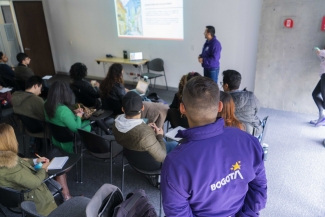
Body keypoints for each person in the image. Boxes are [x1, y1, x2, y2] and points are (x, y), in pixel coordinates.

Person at [161, 77, 267, 216]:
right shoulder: (248, 141)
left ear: (182, 108)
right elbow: (259, 188)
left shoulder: (174, 163)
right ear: (220, 107)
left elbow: (178, 213)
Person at [0, 123, 57, 216]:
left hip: (9, 195)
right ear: (9, 141)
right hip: (30, 198)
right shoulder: (10, 167)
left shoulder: (5, 158)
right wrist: (43, 169)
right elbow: (34, 183)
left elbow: (20, 160)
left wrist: (35, 161)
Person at [113, 91, 178, 162]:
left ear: (123, 109)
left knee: (164, 141)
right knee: (175, 144)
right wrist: (159, 135)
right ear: (143, 107)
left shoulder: (116, 121)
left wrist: (146, 127)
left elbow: (132, 130)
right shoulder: (146, 135)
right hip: (148, 162)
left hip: (130, 155)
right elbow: (162, 157)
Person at [100, 63, 168, 128]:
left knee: (143, 97)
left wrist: (124, 90)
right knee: (146, 100)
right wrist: (131, 94)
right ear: (119, 73)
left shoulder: (104, 83)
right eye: (122, 72)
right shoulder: (118, 86)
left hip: (109, 109)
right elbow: (126, 99)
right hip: (120, 110)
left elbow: (114, 93)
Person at [44, 81, 91, 153]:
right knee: (88, 122)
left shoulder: (46, 103)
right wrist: (78, 116)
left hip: (56, 136)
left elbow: (60, 118)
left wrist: (72, 112)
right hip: (70, 136)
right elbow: (76, 128)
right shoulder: (63, 110)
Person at [222, 69, 262, 136]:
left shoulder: (223, 100)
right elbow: (257, 110)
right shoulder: (251, 96)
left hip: (230, 133)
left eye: (222, 84)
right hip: (252, 132)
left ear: (226, 86)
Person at [12, 76, 45, 153]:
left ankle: (34, 143)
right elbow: (45, 117)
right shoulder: (36, 100)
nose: (40, 92)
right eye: (40, 88)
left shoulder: (15, 96)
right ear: (36, 86)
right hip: (41, 129)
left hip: (26, 127)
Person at [311, 48, 325, 126]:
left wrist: (321, 52)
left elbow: (323, 53)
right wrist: (319, 53)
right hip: (323, 75)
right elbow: (322, 57)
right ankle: (322, 115)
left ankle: (323, 118)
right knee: (315, 94)